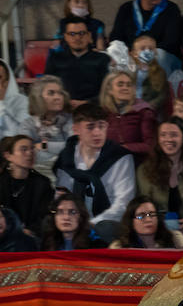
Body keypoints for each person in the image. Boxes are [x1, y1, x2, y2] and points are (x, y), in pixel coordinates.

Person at [53, 102, 135, 243]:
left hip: (107, 222)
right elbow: (61, 195)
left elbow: (123, 204)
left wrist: (91, 224)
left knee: (104, 228)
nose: (97, 132)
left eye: (101, 126)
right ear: (76, 129)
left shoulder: (120, 157)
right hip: (73, 221)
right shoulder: (67, 157)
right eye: (90, 127)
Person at [137, 118, 183, 224]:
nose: (168, 139)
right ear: (158, 139)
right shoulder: (144, 170)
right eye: (163, 135)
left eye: (174, 135)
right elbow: (142, 206)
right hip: (159, 229)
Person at [0, 135, 54, 234]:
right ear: (8, 156)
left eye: (32, 148)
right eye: (24, 149)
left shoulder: (42, 183)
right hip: (4, 235)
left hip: (33, 236)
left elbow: (45, 217)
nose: (30, 153)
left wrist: (30, 231)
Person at [110, 0, 183, 57]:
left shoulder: (171, 9)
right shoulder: (126, 8)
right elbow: (116, 37)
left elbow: (171, 42)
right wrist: (132, 52)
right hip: (131, 55)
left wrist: (146, 53)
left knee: (160, 56)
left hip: (160, 55)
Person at [46, 16, 111, 104]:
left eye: (82, 33)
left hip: (93, 109)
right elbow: (47, 86)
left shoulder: (102, 59)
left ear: (89, 36)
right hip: (62, 107)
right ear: (65, 37)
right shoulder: (55, 59)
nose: (77, 38)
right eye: (72, 34)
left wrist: (87, 103)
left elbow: (108, 90)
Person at [22, 75, 71, 181]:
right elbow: (25, 149)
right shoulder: (28, 123)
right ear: (38, 97)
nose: (58, 97)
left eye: (60, 93)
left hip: (64, 173)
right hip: (35, 175)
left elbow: (73, 145)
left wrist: (44, 145)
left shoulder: (70, 120)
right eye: (51, 93)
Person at [99, 69, 157, 156]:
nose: (125, 88)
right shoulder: (101, 113)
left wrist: (124, 148)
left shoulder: (144, 112)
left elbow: (150, 145)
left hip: (137, 163)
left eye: (129, 85)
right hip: (108, 163)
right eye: (120, 84)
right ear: (109, 89)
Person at [110, 196, 183, 249]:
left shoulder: (174, 237)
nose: (148, 219)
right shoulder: (119, 246)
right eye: (141, 216)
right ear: (131, 221)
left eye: (152, 214)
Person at [39, 193, 106, 250]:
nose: (66, 217)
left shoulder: (96, 245)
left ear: (81, 217)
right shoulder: (47, 243)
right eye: (60, 212)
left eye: (72, 212)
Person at [130, 33, 173, 115]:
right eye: (142, 48)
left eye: (151, 49)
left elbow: (162, 95)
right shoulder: (129, 72)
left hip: (150, 111)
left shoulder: (160, 72)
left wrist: (149, 105)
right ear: (134, 53)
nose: (147, 51)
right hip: (131, 109)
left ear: (155, 52)